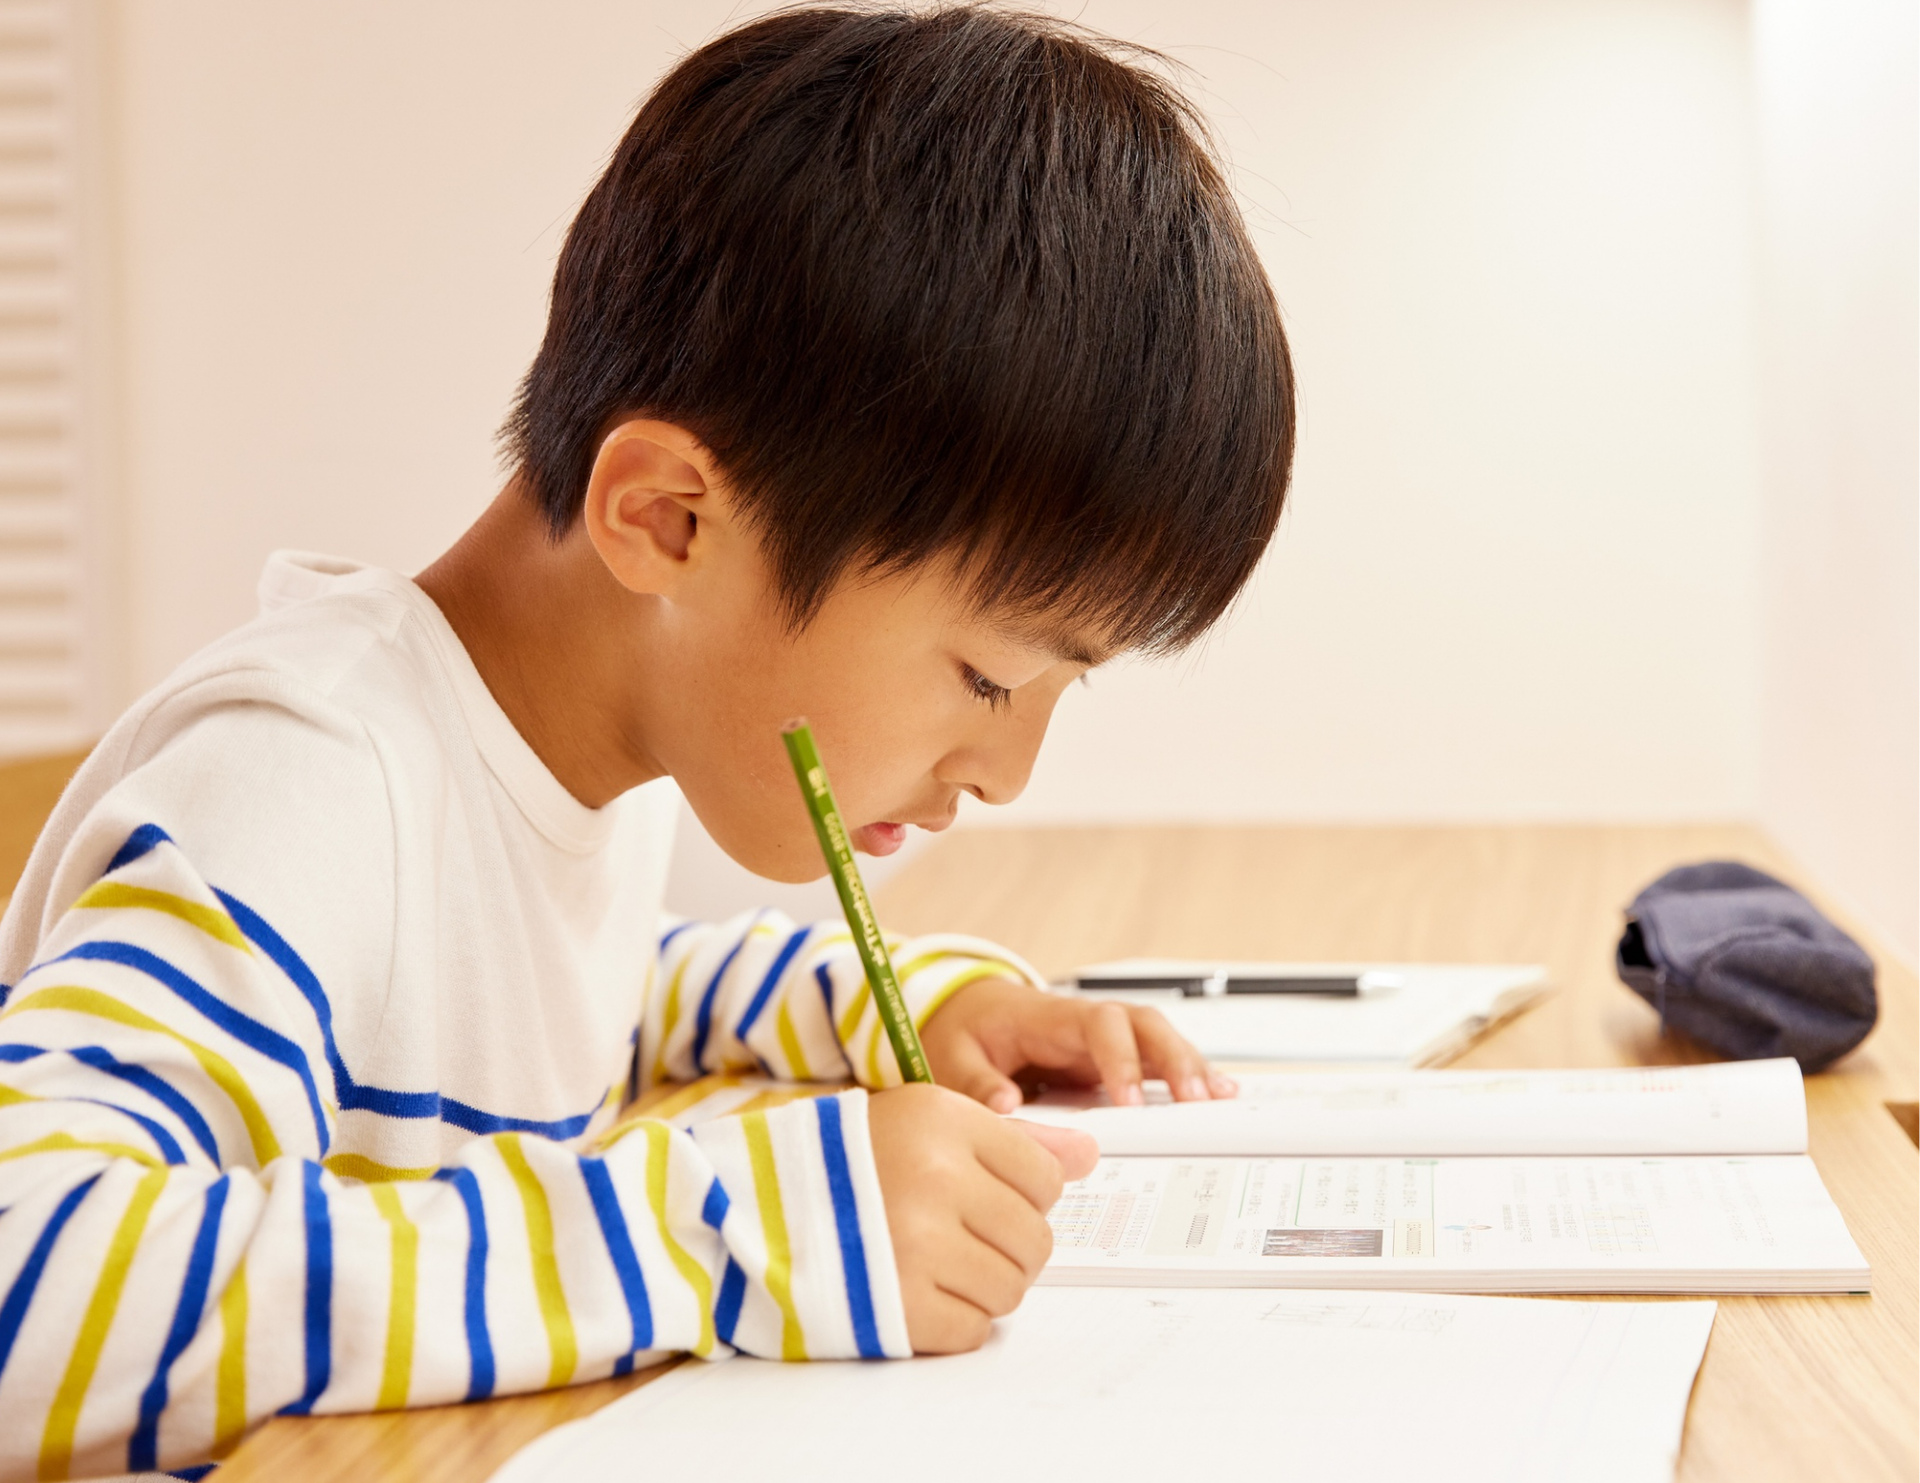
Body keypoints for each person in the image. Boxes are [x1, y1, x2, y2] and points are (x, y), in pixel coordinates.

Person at [0, 5, 1292, 1477]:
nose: (1007, 773)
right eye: (990, 678)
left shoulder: (563, 764)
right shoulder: (301, 786)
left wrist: (884, 1009)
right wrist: (718, 1226)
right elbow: (25, 1276)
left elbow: (570, 981)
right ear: (669, 519)